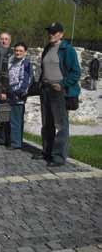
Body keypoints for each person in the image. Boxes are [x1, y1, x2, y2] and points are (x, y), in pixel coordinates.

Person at [34, 22, 81, 167]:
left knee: (61, 125)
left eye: (54, 32)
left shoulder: (67, 49)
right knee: (46, 123)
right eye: (50, 32)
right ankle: (47, 151)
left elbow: (76, 72)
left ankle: (59, 156)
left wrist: (62, 84)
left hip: (59, 91)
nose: (51, 35)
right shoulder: (47, 48)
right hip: (46, 89)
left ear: (61, 34)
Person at [7, 42, 32, 150]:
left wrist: (16, 93)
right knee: (9, 119)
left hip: (18, 96)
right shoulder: (12, 62)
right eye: (16, 50)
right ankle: (10, 140)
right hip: (10, 94)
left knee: (16, 120)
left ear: (25, 52)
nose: (18, 52)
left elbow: (26, 81)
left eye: (20, 51)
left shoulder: (26, 64)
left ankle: (16, 143)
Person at [0, 32, 13, 146]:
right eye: (2, 39)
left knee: (5, 114)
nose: (4, 41)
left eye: (6, 39)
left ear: (10, 41)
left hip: (7, 88)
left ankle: (5, 137)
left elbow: (8, 74)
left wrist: (4, 90)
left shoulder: (12, 54)